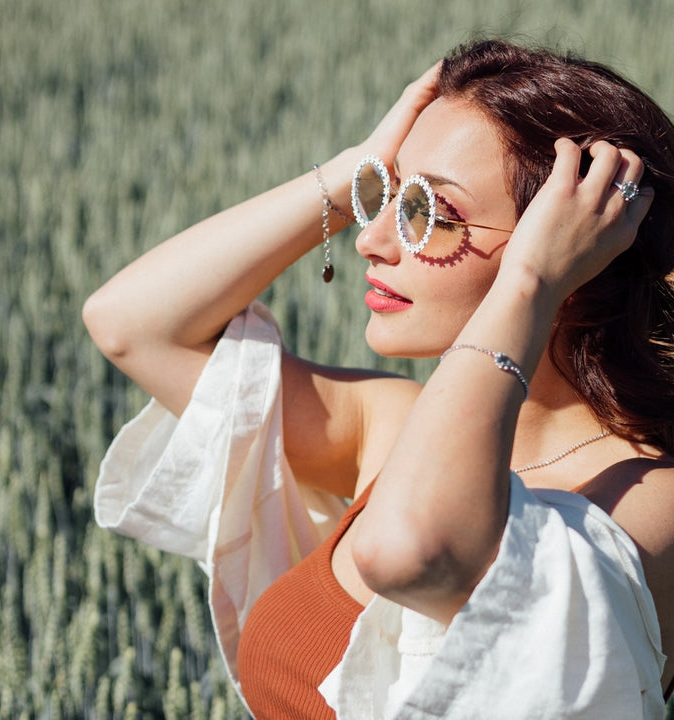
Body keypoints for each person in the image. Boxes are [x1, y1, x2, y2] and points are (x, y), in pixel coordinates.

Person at [83, 39, 674, 718]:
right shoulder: (393, 423)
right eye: (389, 194)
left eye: (434, 213)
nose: (372, 239)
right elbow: (132, 324)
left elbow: (410, 549)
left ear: (577, 254)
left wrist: (530, 284)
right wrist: (349, 172)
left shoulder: (650, 506)